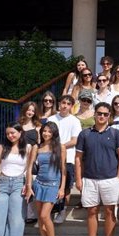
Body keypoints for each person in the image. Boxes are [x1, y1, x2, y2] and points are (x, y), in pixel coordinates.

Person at [75, 102, 119, 236]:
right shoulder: (84, 134)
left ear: (109, 116)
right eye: (99, 113)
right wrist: (78, 179)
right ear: (95, 114)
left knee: (110, 211)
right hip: (90, 179)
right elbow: (78, 158)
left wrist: (118, 177)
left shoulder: (116, 133)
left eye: (105, 114)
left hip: (110, 178)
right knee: (92, 211)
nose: (102, 116)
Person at [26, 122, 65, 236]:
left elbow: (63, 170)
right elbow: (30, 167)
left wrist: (62, 188)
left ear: (54, 133)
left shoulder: (60, 147)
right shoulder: (36, 147)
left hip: (53, 185)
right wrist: (29, 185)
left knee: (45, 215)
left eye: (49, 131)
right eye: (44, 131)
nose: (46, 133)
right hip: (39, 184)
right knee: (40, 217)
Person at [47, 95, 82, 225]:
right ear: (59, 104)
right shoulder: (51, 119)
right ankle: (51, 209)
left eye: (68, 103)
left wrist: (60, 147)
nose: (65, 106)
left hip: (69, 158)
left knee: (66, 186)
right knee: (52, 184)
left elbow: (75, 140)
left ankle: (62, 210)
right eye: (63, 103)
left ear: (71, 106)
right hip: (51, 158)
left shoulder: (74, 121)